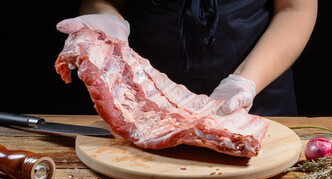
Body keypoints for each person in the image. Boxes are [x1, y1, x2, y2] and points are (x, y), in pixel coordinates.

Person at [57, 0, 317, 116]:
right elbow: (102, 0)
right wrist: (106, 23)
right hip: (141, 106)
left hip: (260, 103)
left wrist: (248, 82)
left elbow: (296, 8)